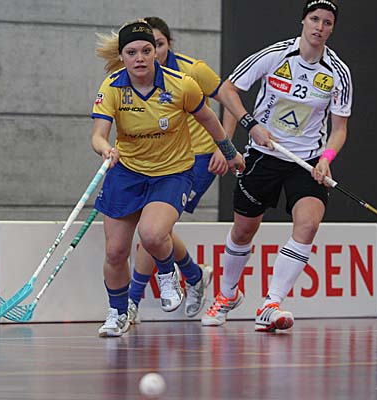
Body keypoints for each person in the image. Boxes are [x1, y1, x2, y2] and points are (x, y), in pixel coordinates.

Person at [201, 0, 351, 332]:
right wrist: (251, 124)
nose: (319, 27)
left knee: (308, 224)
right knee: (243, 230)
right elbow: (227, 89)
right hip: (264, 155)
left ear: (332, 28)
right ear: (303, 21)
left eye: (327, 22)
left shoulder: (338, 72)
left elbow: (339, 129)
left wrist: (326, 159)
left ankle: (271, 303)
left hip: (306, 162)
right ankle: (226, 295)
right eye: (314, 19)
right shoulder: (276, 55)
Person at [92, 20, 245, 337]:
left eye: (146, 50)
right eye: (131, 52)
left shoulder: (182, 84)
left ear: (156, 52)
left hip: (172, 172)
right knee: (115, 252)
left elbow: (209, 120)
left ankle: (167, 275)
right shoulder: (112, 87)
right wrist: (105, 148)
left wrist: (229, 152)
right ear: (122, 56)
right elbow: (98, 135)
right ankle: (118, 313)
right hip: (127, 172)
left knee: (151, 234)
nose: (140, 58)